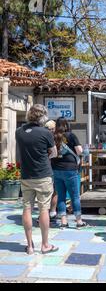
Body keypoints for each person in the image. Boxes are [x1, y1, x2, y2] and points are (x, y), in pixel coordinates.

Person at [15, 104, 59, 255]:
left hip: (26, 176)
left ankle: (30, 246)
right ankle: (45, 245)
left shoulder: (18, 132)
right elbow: (54, 153)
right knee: (44, 210)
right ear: (43, 117)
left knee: (27, 208)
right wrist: (45, 156)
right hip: (43, 175)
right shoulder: (46, 133)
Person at [52, 117, 87, 229]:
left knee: (61, 196)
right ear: (66, 125)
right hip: (70, 169)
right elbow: (80, 151)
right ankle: (79, 221)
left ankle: (63, 221)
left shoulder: (53, 136)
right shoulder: (71, 136)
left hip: (56, 169)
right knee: (75, 196)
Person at [44, 120, 58, 221]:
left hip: (45, 167)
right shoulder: (55, 138)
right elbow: (54, 153)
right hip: (52, 167)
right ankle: (52, 212)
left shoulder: (42, 136)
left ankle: (46, 213)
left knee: (47, 192)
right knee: (53, 191)